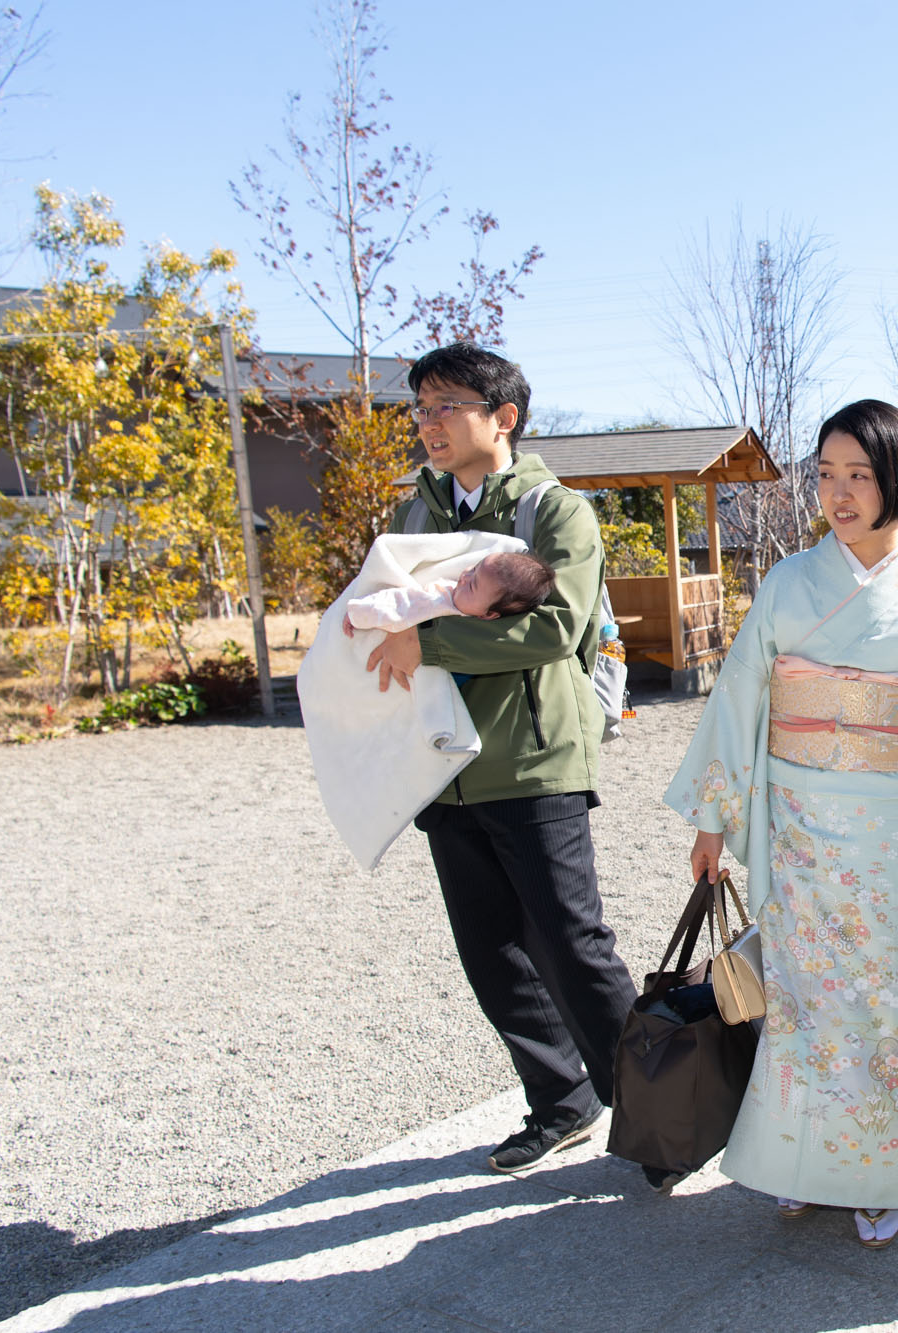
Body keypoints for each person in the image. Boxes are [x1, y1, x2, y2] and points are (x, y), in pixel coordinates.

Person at [666, 399, 898, 1250]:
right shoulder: (792, 582)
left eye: (859, 474)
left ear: (897, 478)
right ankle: (797, 1164)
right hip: (796, 824)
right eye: (826, 474)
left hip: (891, 835)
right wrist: (715, 819)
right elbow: (742, 697)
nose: (838, 491)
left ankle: (879, 1169)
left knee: (885, 1002)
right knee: (797, 1001)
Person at [358, 341, 638, 1177]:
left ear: (502, 417)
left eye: (446, 406)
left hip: (535, 757)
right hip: (445, 764)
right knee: (488, 948)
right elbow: (382, 613)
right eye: (421, 409)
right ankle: (561, 1101)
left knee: (569, 939)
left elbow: (555, 628)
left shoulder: (555, 513)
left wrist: (429, 641)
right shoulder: (415, 515)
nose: (427, 424)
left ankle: (661, 1107)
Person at [344, 549, 557, 633]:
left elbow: (398, 604)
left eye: (473, 585)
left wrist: (358, 614)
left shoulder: (439, 603)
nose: (464, 577)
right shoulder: (461, 604)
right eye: (473, 569)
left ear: (489, 614)